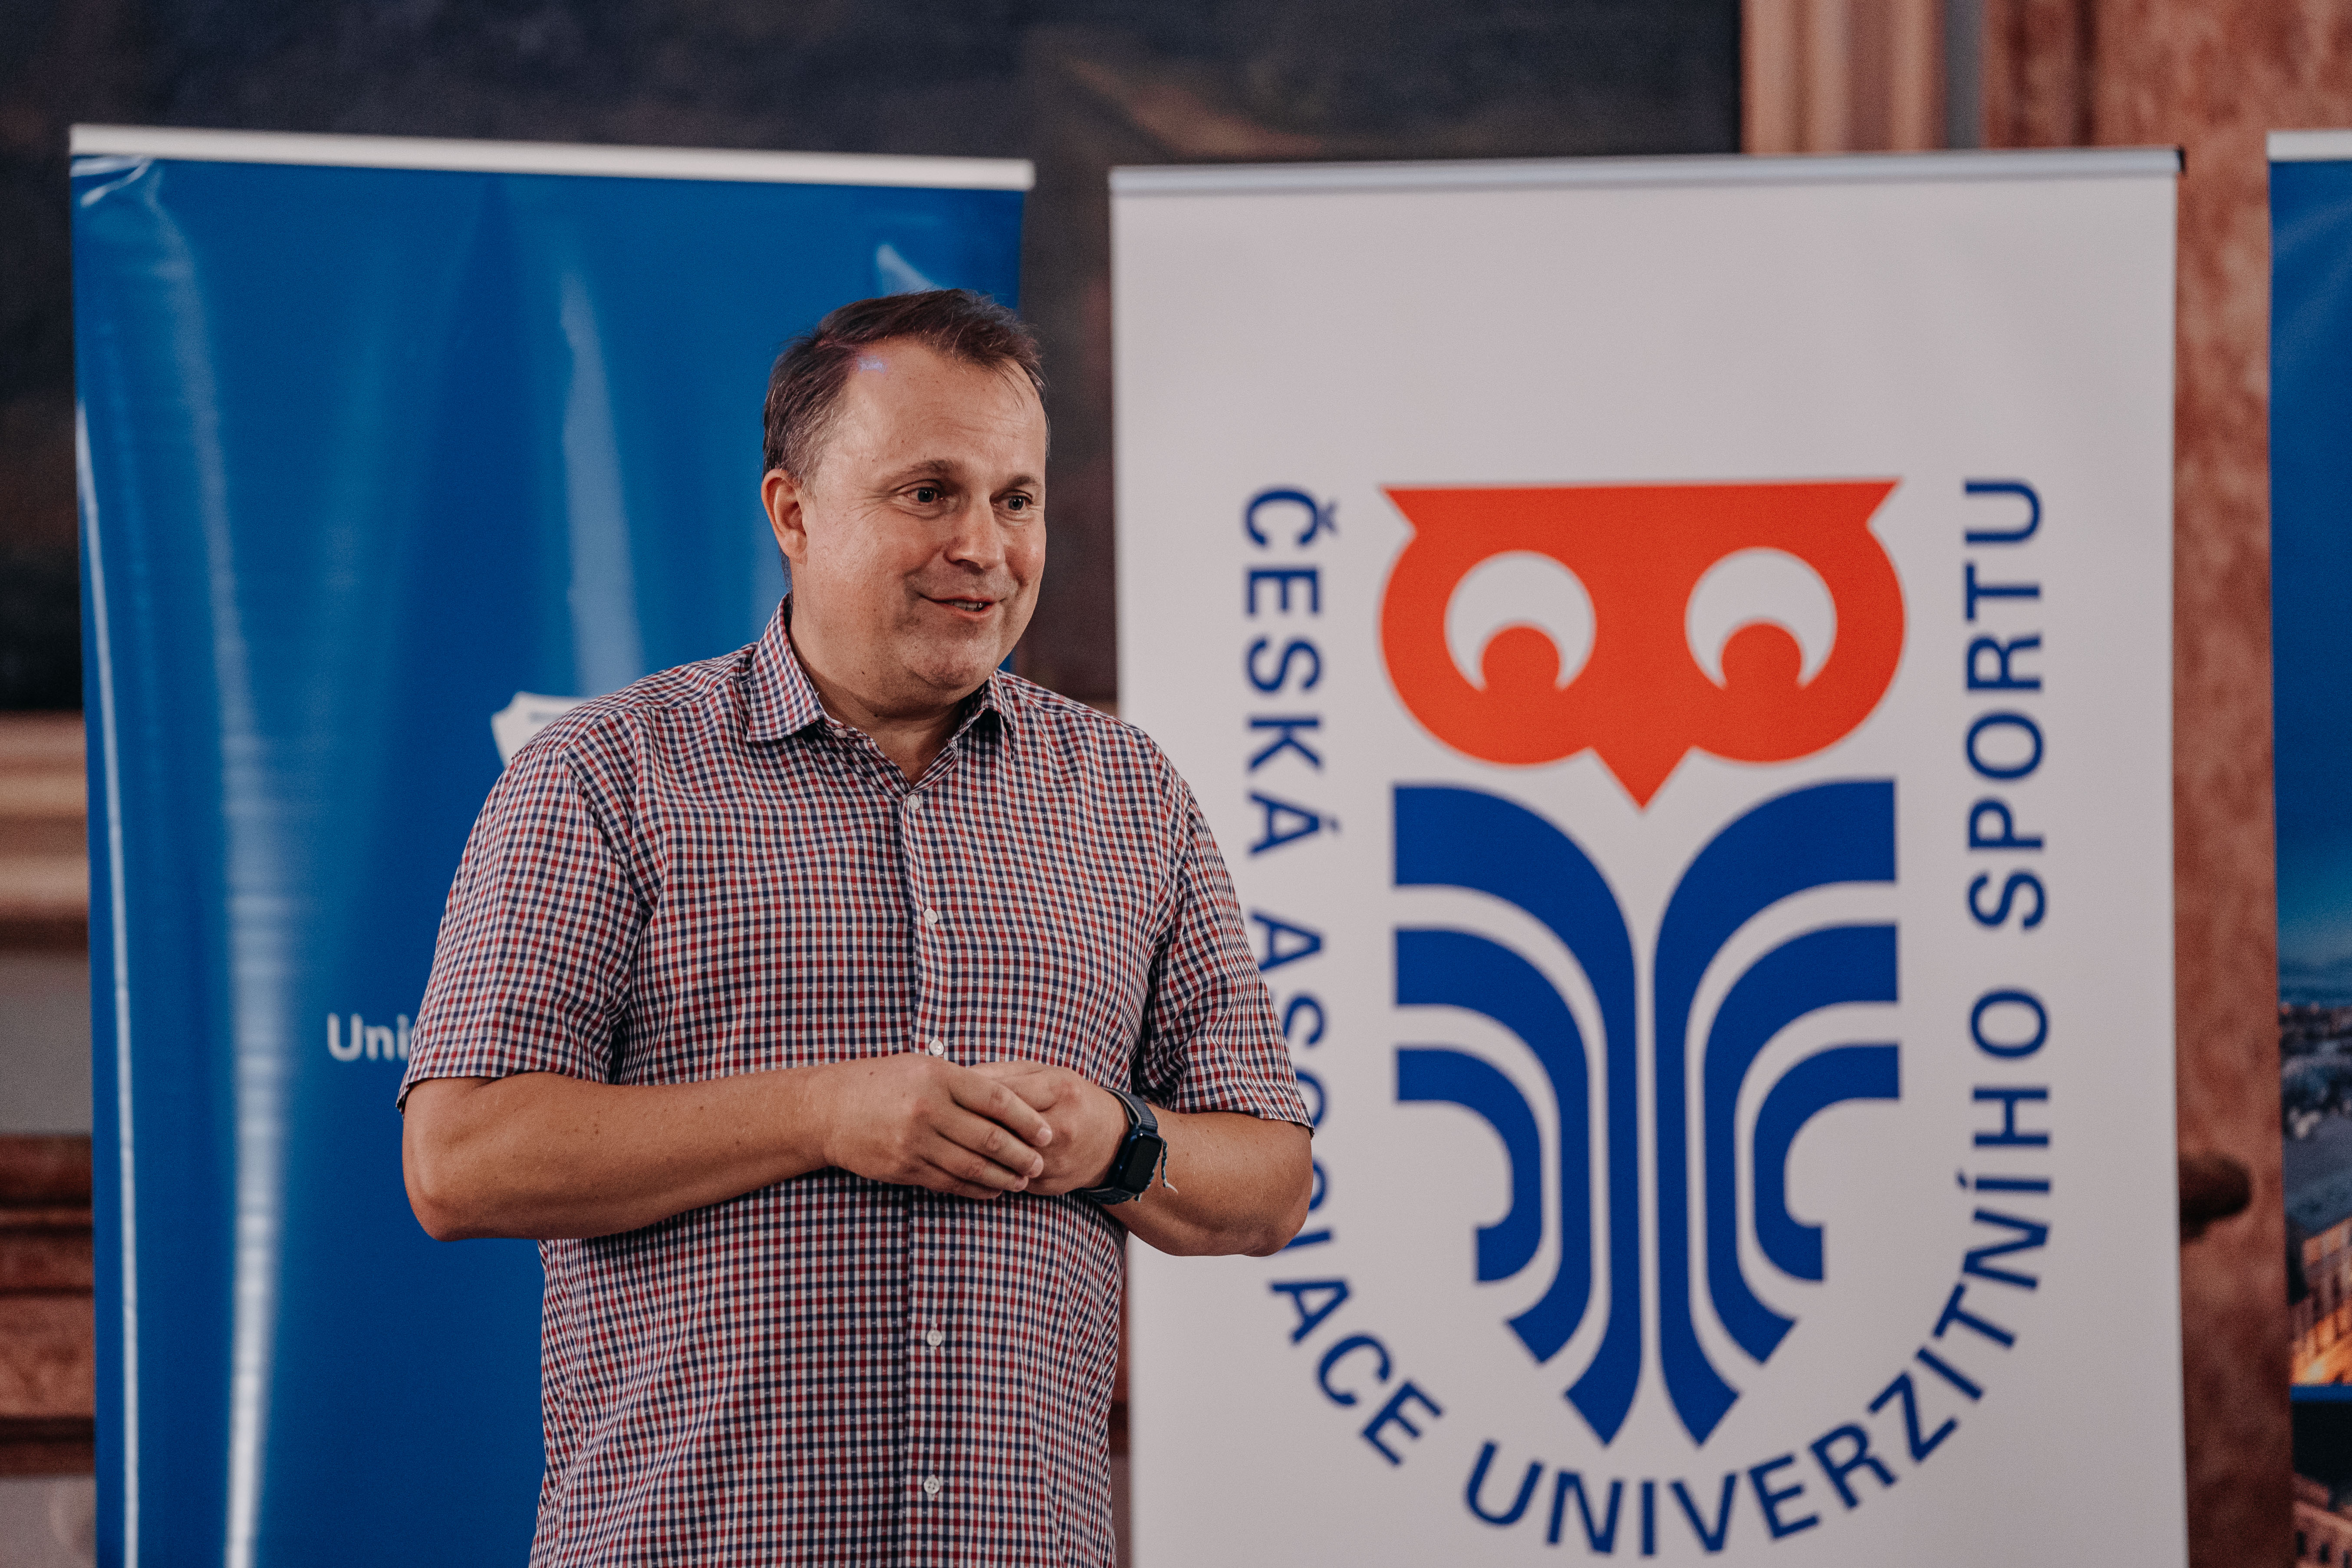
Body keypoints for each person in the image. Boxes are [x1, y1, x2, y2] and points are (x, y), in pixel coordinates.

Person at [398, 288, 1313, 1566]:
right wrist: (825, 1113)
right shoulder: (604, 775)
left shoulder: (1128, 794)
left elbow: (1271, 1179)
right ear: (793, 512)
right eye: (928, 493)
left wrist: (1114, 1143)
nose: (983, 546)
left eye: (1016, 499)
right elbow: (459, 1158)